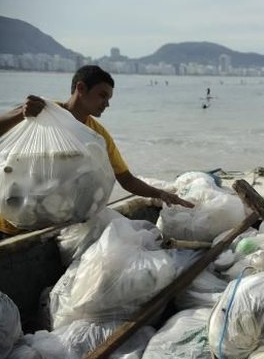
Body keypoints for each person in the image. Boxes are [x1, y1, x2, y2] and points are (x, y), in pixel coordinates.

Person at [0, 65, 194, 238]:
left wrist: (161, 194)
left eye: (109, 98)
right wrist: (20, 113)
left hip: (51, 223)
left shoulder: (97, 136)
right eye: (103, 95)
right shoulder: (43, 112)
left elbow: (126, 179)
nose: (107, 104)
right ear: (81, 88)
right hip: (9, 223)